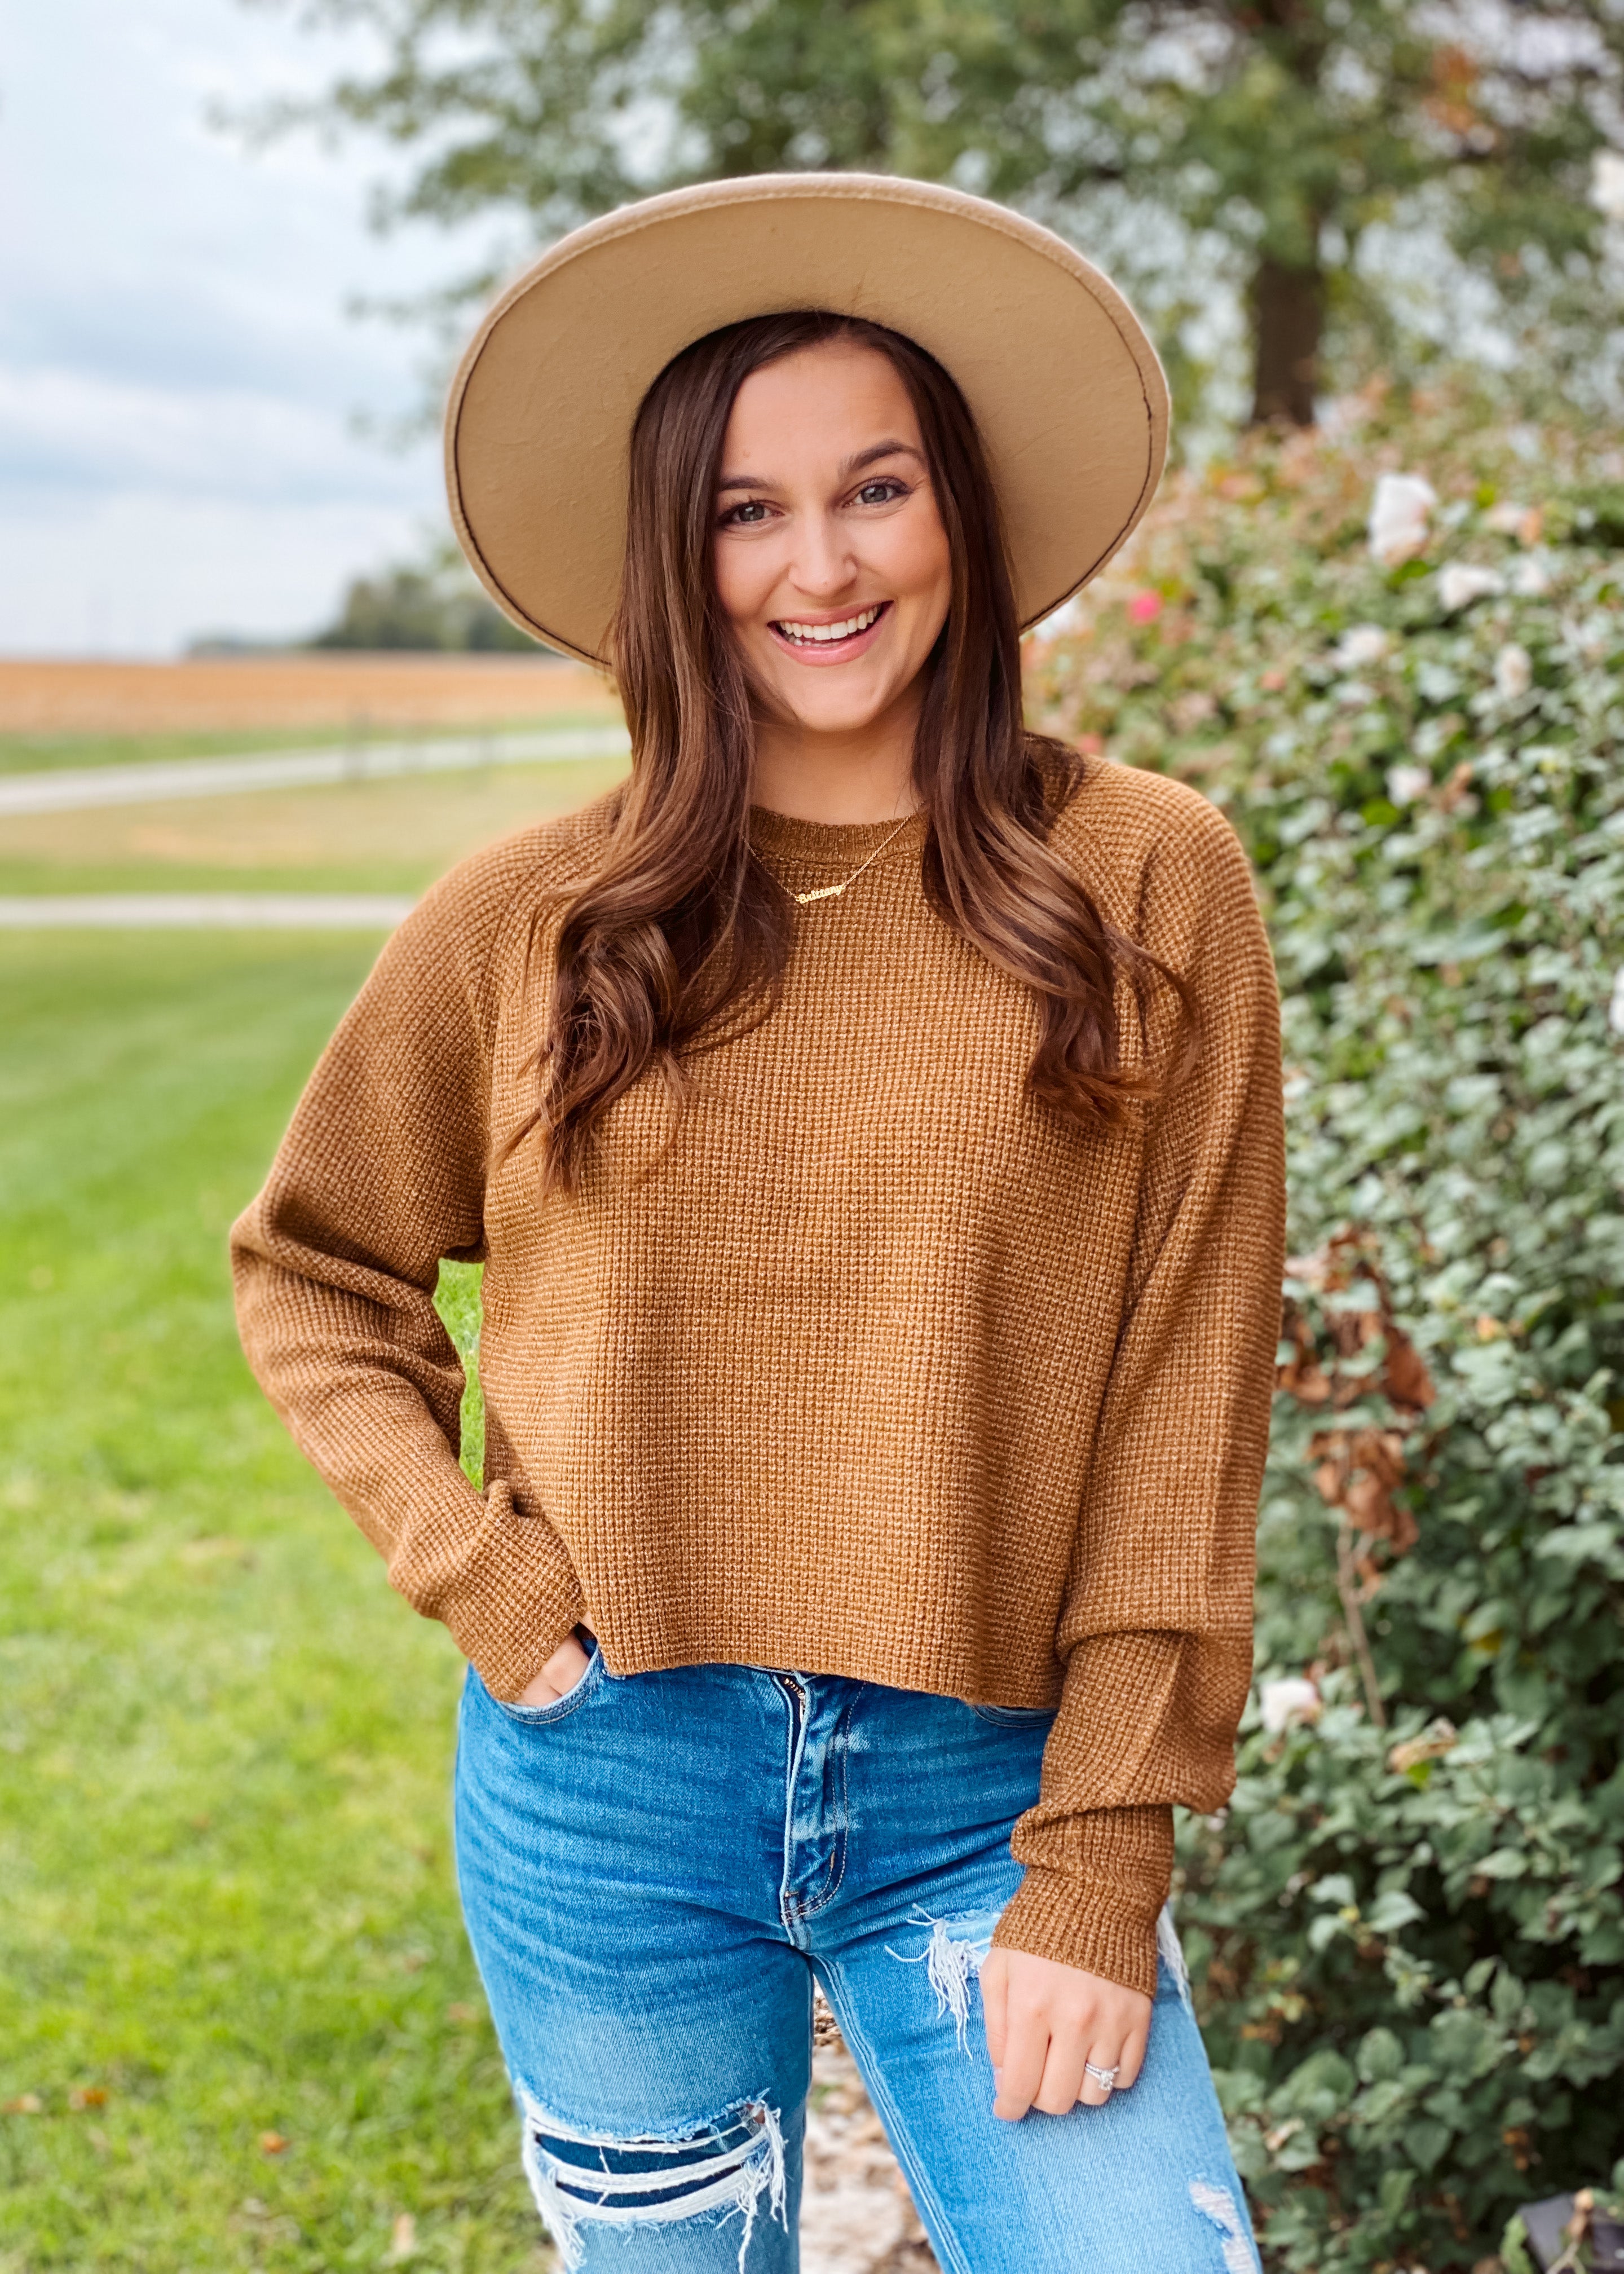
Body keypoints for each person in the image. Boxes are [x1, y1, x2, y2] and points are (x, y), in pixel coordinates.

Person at [232, 174, 1285, 2273]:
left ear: (957, 520)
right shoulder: (535, 915)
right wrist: (480, 1575)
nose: (820, 563)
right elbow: (316, 1265)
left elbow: (1189, 1391)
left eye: (874, 489)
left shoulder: (1151, 882)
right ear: (677, 556)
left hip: (990, 1792)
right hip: (605, 1785)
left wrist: (1100, 1856)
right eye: (745, 510)